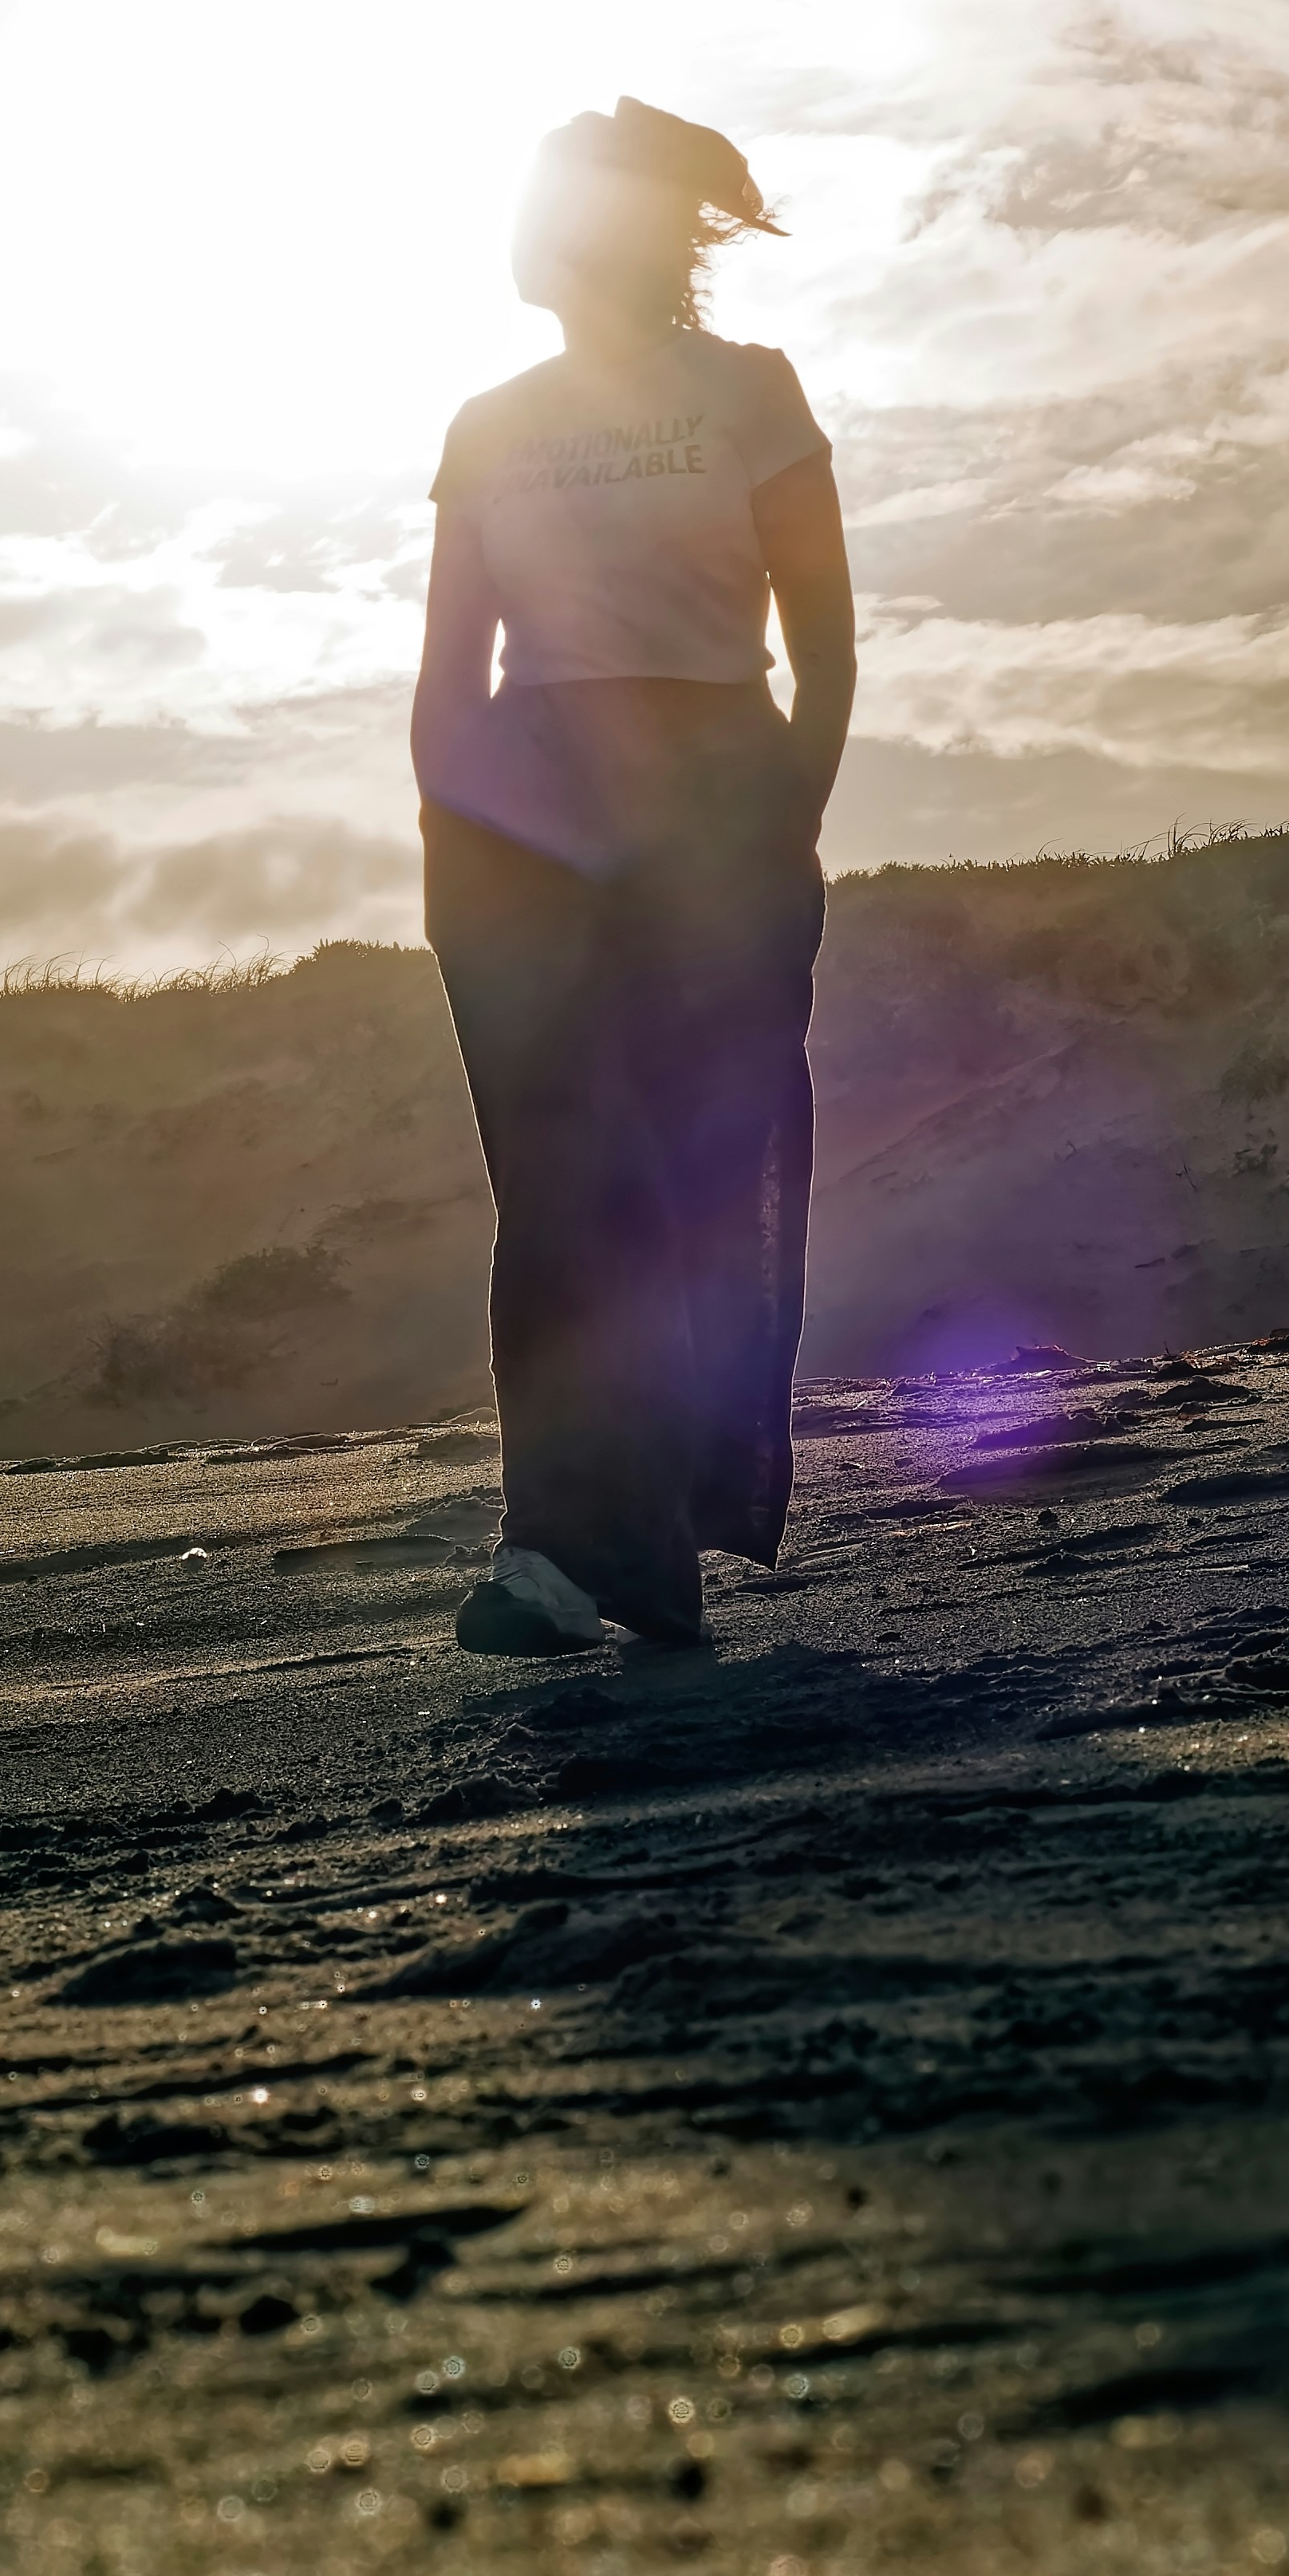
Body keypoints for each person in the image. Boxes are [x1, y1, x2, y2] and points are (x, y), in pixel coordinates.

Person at [412, 97, 856, 1654]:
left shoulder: (747, 393)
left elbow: (822, 641)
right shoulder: (488, 423)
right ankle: (548, 1547)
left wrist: (776, 818)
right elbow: (446, 676)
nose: (524, 226)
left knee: (689, 1181)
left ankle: (658, 1534)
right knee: (551, 1193)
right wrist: (451, 859)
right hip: (515, 824)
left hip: (713, 808)